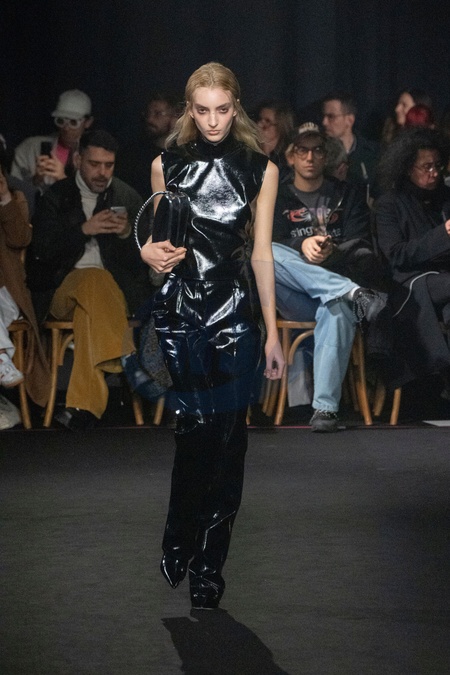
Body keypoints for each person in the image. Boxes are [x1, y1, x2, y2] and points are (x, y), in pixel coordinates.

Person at [140, 62, 284, 610]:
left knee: (229, 439)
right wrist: (146, 254)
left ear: (235, 107)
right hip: (180, 310)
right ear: (189, 110)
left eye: (222, 109)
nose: (213, 120)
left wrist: (272, 332)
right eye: (202, 110)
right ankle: (180, 533)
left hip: (235, 311)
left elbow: (262, 252)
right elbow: (159, 248)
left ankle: (208, 566)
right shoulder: (165, 165)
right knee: (195, 428)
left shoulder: (260, 169)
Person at [28, 129, 151, 430]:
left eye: (109, 165)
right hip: (62, 289)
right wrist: (84, 230)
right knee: (93, 279)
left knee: (92, 307)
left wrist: (126, 235)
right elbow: (41, 254)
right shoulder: (56, 196)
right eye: (95, 164)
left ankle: (84, 406)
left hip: (112, 296)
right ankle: (126, 358)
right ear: (78, 160)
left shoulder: (126, 197)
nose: (102, 172)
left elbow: (144, 264)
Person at [272, 123, 387, 431]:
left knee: (336, 306)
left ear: (326, 156)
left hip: (334, 281)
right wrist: (301, 246)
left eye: (317, 150)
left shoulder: (347, 194)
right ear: (291, 156)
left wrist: (330, 251)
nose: (310, 157)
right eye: (302, 150)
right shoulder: (278, 195)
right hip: (293, 296)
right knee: (266, 251)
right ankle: (350, 291)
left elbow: (361, 245)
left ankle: (325, 411)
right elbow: (268, 243)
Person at [376, 127, 450, 395]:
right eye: (426, 167)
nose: (434, 172)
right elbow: (397, 255)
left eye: (438, 166)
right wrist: (443, 235)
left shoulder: (446, 198)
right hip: (411, 282)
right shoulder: (389, 204)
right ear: (408, 169)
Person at [0, 156, 50, 420]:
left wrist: (4, 197)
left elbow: (20, 239)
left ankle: (0, 359)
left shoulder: (14, 198)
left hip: (5, 292)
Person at [11, 89, 93, 194]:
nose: (66, 128)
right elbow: (13, 192)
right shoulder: (29, 148)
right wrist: (36, 180)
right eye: (60, 121)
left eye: (73, 122)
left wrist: (63, 180)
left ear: (88, 122)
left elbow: (95, 196)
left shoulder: (96, 156)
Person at [115, 92, 179, 199]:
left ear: (175, 117)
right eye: (148, 113)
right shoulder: (133, 155)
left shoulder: (183, 155)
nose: (150, 119)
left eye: (158, 114)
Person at [322, 92, 379, 202]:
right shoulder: (318, 152)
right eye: (323, 116)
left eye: (331, 117)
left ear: (349, 120)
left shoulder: (373, 154)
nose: (324, 122)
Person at [253, 99, 296, 183]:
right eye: (259, 119)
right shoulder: (248, 151)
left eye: (267, 121)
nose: (259, 125)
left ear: (280, 127)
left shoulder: (285, 161)